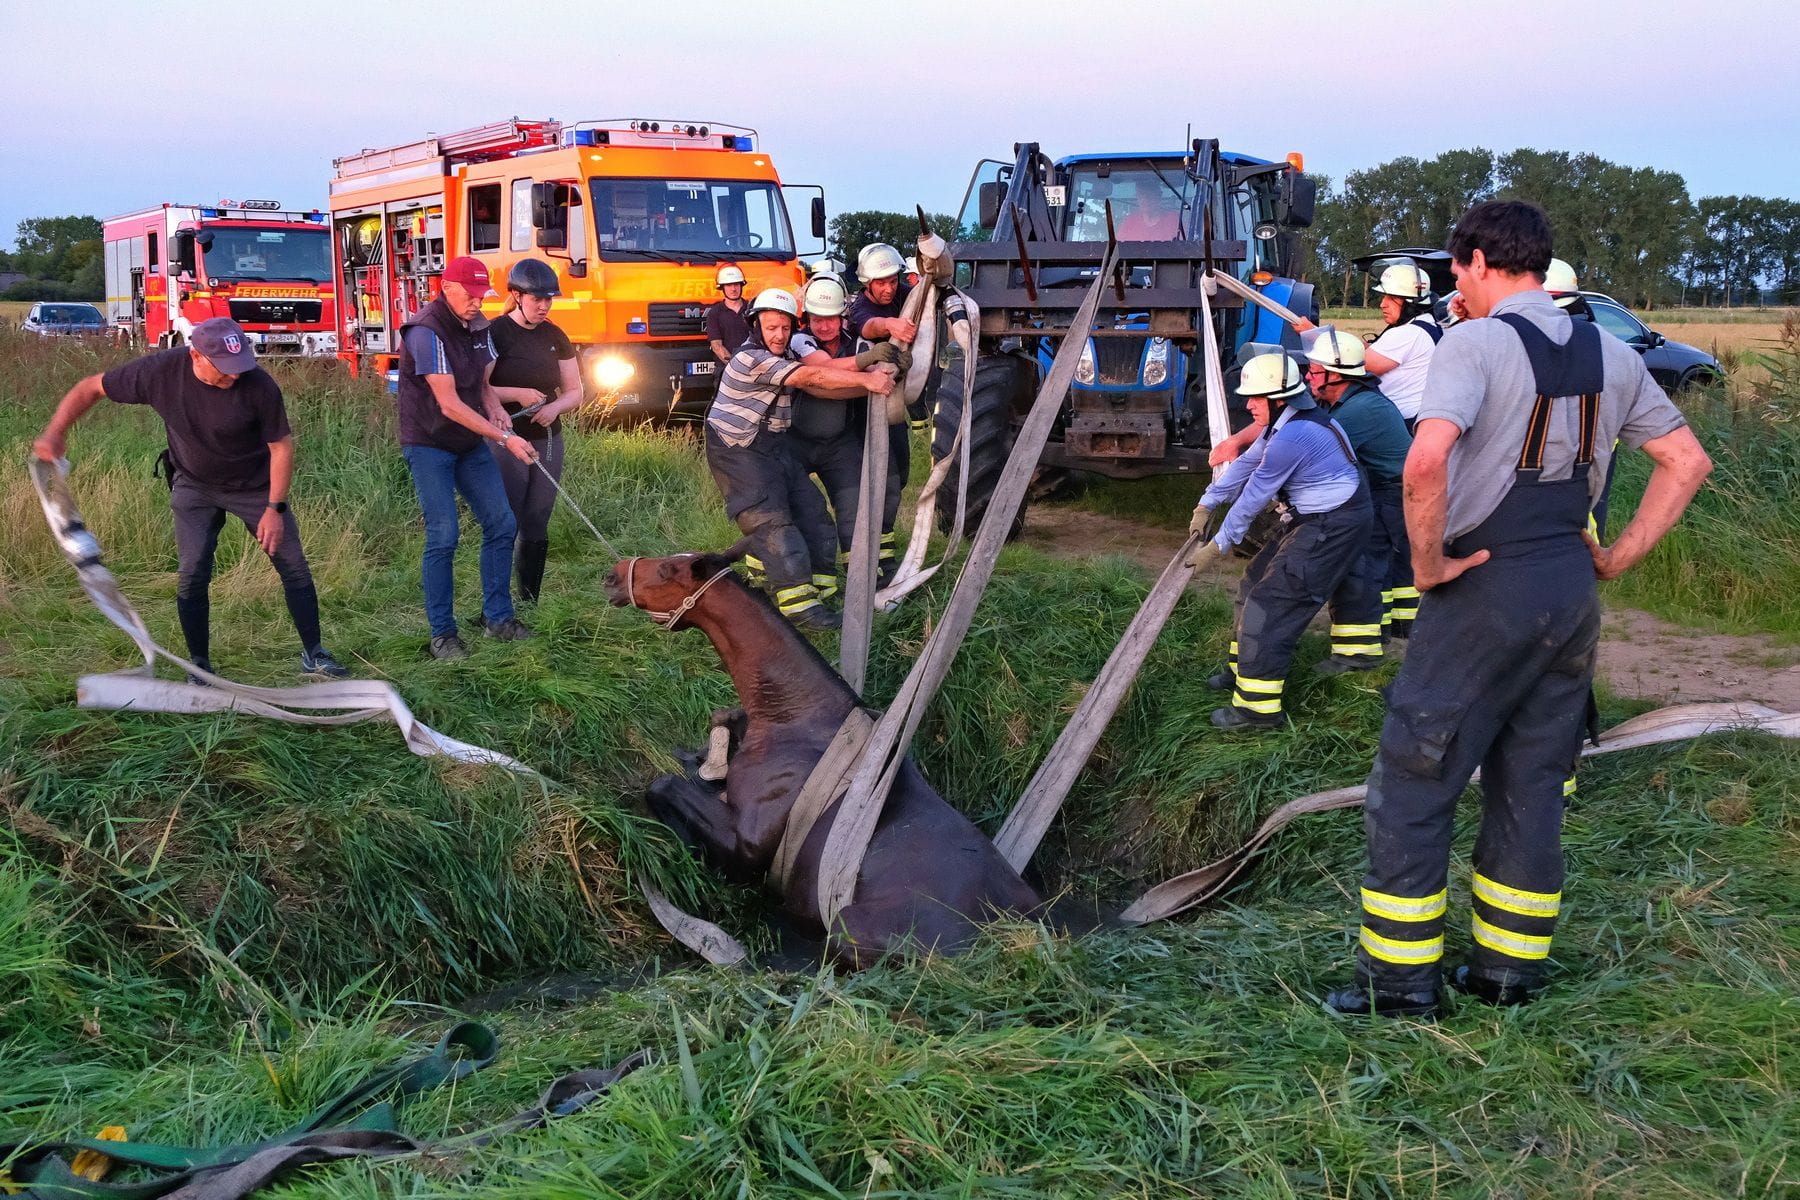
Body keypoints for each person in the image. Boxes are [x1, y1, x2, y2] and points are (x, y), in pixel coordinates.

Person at [1324, 201, 1712, 1019]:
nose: (1452, 291)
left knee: (1415, 778)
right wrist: (1615, 555)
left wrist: (1429, 568)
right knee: (1533, 784)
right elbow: (1685, 460)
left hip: (1484, 590)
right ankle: (1506, 975)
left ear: (1474, 262)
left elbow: (1424, 465)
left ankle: (1398, 984)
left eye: (1455, 275)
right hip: (1569, 593)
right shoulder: (1610, 353)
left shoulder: (1475, 342)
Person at [32, 317, 348, 680]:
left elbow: (281, 448)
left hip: (255, 488)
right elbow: (90, 388)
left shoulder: (259, 385)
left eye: (240, 366)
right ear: (195, 356)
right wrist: (55, 433)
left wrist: (274, 508)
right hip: (194, 486)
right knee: (192, 574)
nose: (235, 376)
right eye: (225, 370)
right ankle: (200, 665)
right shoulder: (159, 372)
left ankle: (315, 654)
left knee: (293, 565)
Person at [1189, 352, 1371, 730]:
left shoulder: (1296, 435)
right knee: (1254, 581)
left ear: (1280, 399)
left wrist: (1219, 545)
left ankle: (1257, 709)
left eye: (1256, 398)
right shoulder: (1282, 425)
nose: (1247, 404)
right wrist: (1207, 503)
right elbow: (1244, 463)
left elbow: (1254, 495)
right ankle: (1242, 672)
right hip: (1312, 517)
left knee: (1273, 602)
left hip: (1333, 524)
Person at [706, 288, 898, 630]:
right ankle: (800, 608)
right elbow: (814, 377)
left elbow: (822, 384)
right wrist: (869, 379)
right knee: (773, 525)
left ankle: (819, 592)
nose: (779, 335)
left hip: (773, 448)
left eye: (784, 327)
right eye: (771, 328)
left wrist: (877, 377)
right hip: (737, 451)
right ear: (755, 327)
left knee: (814, 515)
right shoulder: (752, 358)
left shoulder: (786, 352)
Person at [397, 255, 540, 659]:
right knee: (444, 534)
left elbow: (479, 381)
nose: (478, 302)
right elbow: (449, 403)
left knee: (501, 522)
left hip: (467, 442)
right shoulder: (427, 330)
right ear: (447, 287)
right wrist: (505, 437)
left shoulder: (476, 324)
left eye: (482, 294)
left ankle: (498, 617)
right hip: (428, 442)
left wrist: (492, 404)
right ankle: (443, 634)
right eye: (471, 294)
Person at [1301, 328, 1414, 667]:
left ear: (1336, 375)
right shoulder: (1356, 401)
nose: (1307, 375)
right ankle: (1388, 631)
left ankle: (1357, 653)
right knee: (1379, 565)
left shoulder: (1356, 412)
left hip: (1387, 493)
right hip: (1393, 491)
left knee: (1360, 564)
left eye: (1314, 371)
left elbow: (1313, 453)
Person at [788, 275, 903, 597]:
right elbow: (824, 371)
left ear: (842, 316)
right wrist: (869, 368)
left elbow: (875, 373)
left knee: (853, 507)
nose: (823, 326)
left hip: (839, 442)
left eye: (830, 319)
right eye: (816, 319)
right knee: (805, 509)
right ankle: (805, 578)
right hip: (796, 440)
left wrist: (893, 368)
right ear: (807, 319)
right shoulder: (800, 341)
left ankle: (860, 580)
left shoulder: (855, 338)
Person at [487, 258, 582, 604]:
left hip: (548, 437)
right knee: (507, 519)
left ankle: (530, 601)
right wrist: (516, 394)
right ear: (516, 295)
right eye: (536, 299)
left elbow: (575, 391)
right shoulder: (496, 332)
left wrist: (555, 407)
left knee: (538, 518)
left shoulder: (555, 335)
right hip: (505, 436)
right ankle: (498, 605)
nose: (543, 306)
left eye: (548, 300)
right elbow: (478, 388)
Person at [846, 243, 918, 582]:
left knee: (900, 475)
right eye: (881, 283)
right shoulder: (860, 308)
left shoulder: (906, 293)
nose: (889, 288)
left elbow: (925, 293)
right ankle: (878, 561)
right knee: (881, 480)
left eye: (892, 281)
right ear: (866, 284)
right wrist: (891, 324)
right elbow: (869, 326)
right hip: (866, 407)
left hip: (895, 405)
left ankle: (884, 553)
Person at [1360, 263, 1441, 431]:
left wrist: (1315, 334)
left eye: (1391, 297)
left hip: (1400, 422)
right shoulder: (1428, 324)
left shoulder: (1406, 333)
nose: (1383, 304)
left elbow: (1356, 365)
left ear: (1410, 303)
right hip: (1418, 417)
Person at [705, 265, 751, 364]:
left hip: (753, 366)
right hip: (726, 368)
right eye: (729, 285)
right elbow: (716, 345)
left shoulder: (752, 310)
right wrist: (734, 366)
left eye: (736, 284)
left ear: (741, 285)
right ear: (722, 288)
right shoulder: (715, 313)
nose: (733, 289)